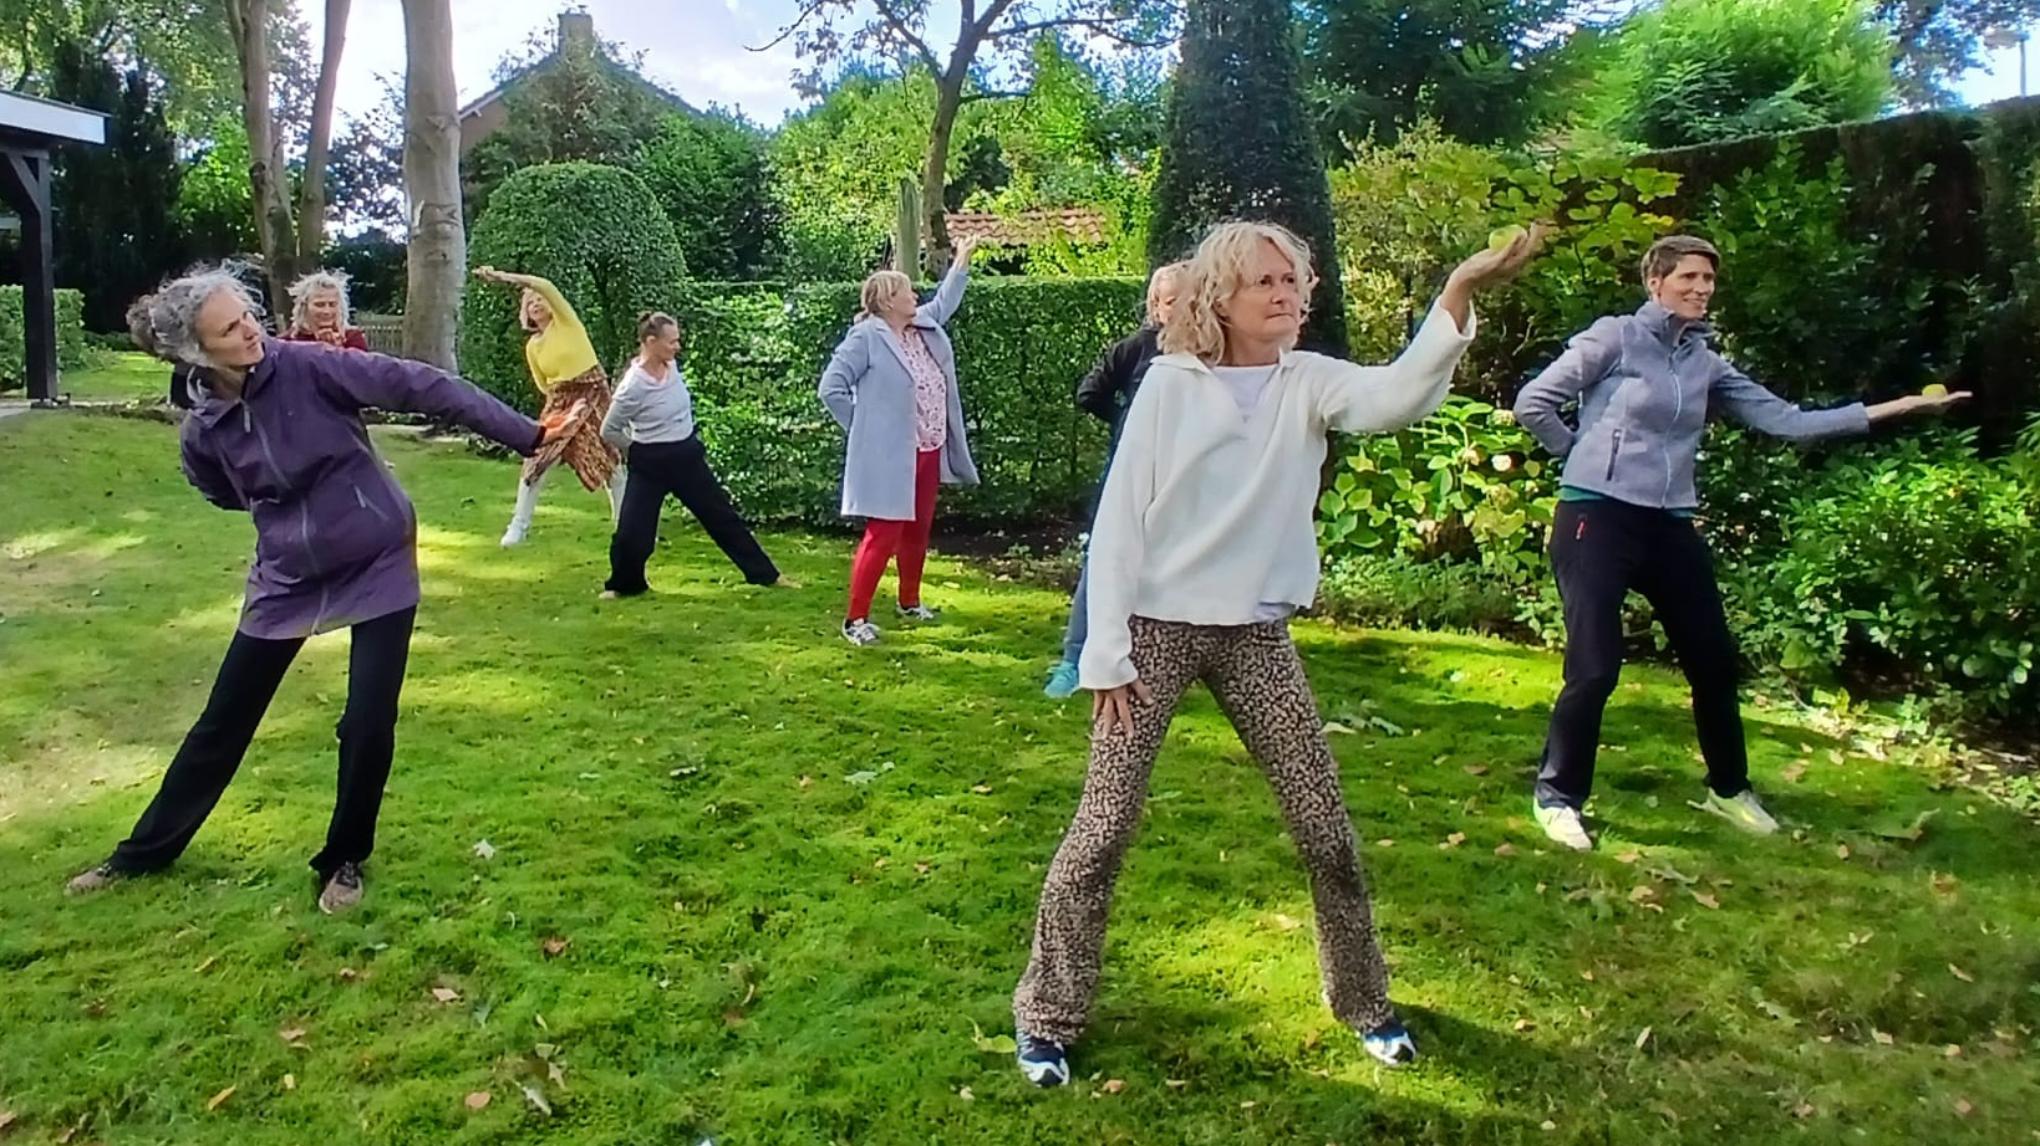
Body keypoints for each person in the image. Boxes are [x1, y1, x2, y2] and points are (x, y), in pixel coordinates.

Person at [1010, 221, 1542, 1087]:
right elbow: (1119, 525)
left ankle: (1365, 1003)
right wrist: (1104, 655)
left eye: (1294, 280)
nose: (1287, 294)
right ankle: (1046, 1018)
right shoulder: (1169, 385)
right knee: (1101, 833)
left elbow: (1397, 396)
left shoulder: (1309, 380)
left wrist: (1459, 291)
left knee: (1327, 832)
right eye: (1266, 281)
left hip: (1255, 635)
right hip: (1154, 634)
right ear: (1219, 296)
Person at [65, 265, 567, 914]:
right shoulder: (204, 427)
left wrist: (528, 435)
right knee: (224, 721)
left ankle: (344, 859)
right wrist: (285, 516)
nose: (251, 331)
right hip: (288, 575)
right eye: (230, 329)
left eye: (248, 316)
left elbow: (424, 386)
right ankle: (141, 855)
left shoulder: (311, 367)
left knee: (368, 721)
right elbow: (217, 488)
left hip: (376, 554)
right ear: (198, 351)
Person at [1512, 235, 1971, 853]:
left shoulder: (1705, 363)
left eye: (1708, 280)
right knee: (1595, 667)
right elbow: (1533, 402)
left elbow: (1788, 421)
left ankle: (1728, 788)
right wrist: (1582, 456)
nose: (1701, 288)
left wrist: (1895, 409)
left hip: (1667, 524)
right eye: (1689, 277)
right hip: (1596, 515)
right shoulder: (1614, 338)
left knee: (1714, 661)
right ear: (1655, 282)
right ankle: (1558, 798)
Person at [817, 236, 982, 646]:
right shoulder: (866, 337)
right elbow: (831, 388)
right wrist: (866, 432)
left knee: (917, 529)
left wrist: (962, 260)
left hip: (928, 447)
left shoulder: (919, 326)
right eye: (908, 290)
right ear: (888, 300)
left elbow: (944, 303)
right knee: (884, 532)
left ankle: (910, 601)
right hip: (891, 456)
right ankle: (855, 619)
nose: (916, 295)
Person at [1044, 262, 1185, 699]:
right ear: (1156, 306)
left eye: (1190, 300)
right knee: (1106, 555)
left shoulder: (1215, 355)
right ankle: (1073, 660)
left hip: (1185, 475)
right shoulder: (1136, 349)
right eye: (1172, 301)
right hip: (1130, 468)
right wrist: (1126, 423)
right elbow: (1090, 393)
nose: (1181, 309)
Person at [599, 311, 792, 596]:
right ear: (650, 342)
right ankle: (625, 585)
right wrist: (637, 451)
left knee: (722, 518)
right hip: (650, 463)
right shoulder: (633, 386)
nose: (677, 347)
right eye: (671, 342)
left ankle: (766, 576)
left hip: (687, 457)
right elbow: (609, 430)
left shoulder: (671, 365)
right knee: (632, 533)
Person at [472, 266, 626, 546]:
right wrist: (560, 405)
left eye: (539, 299)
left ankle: (626, 527)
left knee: (609, 462)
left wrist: (502, 278)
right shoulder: (533, 345)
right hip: (559, 402)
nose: (536, 303)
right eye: (530, 302)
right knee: (536, 461)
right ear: (526, 312)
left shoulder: (567, 322)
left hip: (591, 394)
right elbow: (544, 385)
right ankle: (518, 526)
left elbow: (542, 283)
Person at [282, 270, 370, 350]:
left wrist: (337, 350)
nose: (327, 311)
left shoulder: (352, 338)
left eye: (332, 305)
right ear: (304, 307)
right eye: (319, 305)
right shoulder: (287, 342)